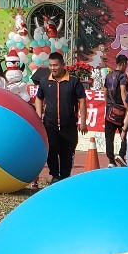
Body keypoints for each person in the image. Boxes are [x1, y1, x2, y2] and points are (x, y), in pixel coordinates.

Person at [35, 50, 87, 182]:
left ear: (63, 65)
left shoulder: (73, 81)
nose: (53, 68)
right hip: (50, 124)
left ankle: (65, 177)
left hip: (69, 125)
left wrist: (83, 122)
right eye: (51, 65)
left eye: (55, 65)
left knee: (67, 152)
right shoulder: (44, 81)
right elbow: (39, 98)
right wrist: (38, 116)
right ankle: (55, 176)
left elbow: (82, 101)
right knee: (51, 151)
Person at [104, 53, 128, 167]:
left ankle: (111, 160)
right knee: (124, 133)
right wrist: (127, 107)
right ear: (123, 64)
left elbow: (105, 92)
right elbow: (123, 91)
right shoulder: (123, 76)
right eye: (126, 64)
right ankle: (121, 154)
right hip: (120, 110)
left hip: (109, 110)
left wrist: (108, 104)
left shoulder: (109, 76)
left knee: (109, 137)